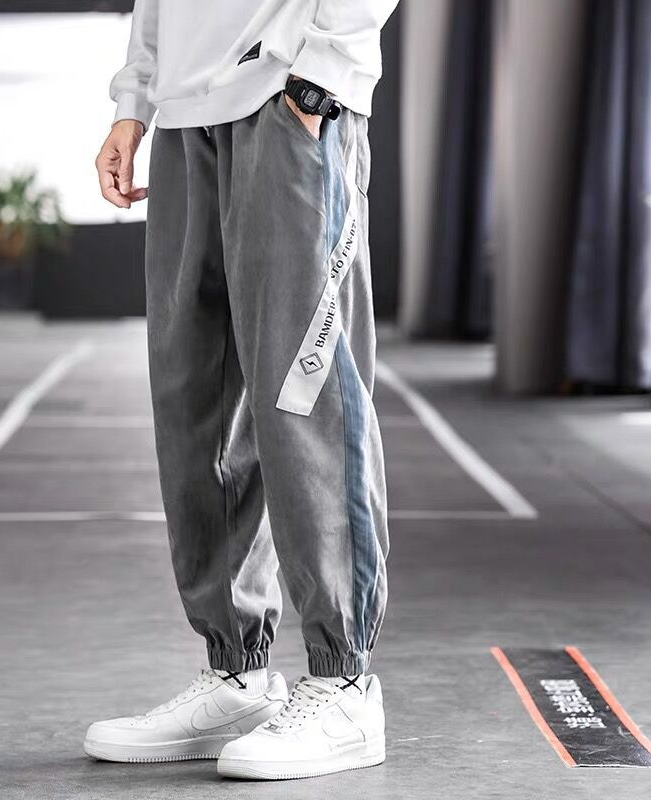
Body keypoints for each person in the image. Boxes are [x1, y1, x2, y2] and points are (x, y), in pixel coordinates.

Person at [86, 0, 400, 781]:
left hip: (289, 97)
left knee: (305, 395)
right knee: (195, 400)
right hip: (185, 114)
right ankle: (237, 672)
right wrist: (135, 101)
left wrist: (322, 72)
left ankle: (345, 684)